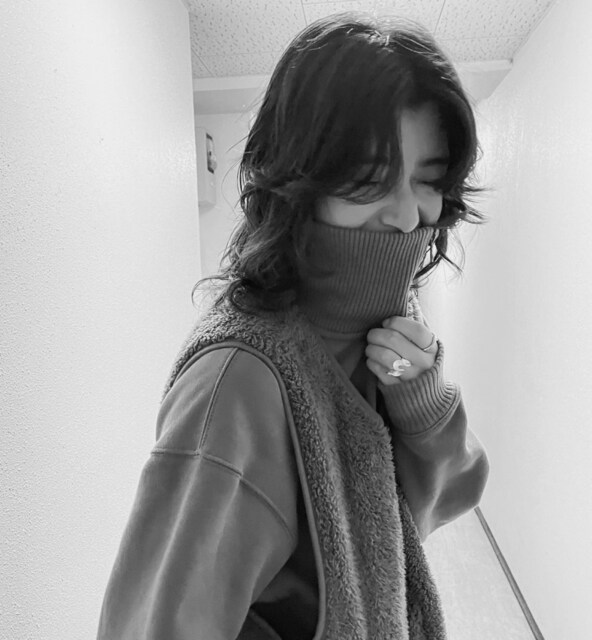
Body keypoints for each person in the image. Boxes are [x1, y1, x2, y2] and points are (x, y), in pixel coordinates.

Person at [97, 11, 490, 640]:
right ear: (296, 183)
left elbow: (433, 509)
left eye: (427, 180)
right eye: (368, 180)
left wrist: (423, 405)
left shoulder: (392, 332)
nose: (406, 214)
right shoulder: (238, 381)